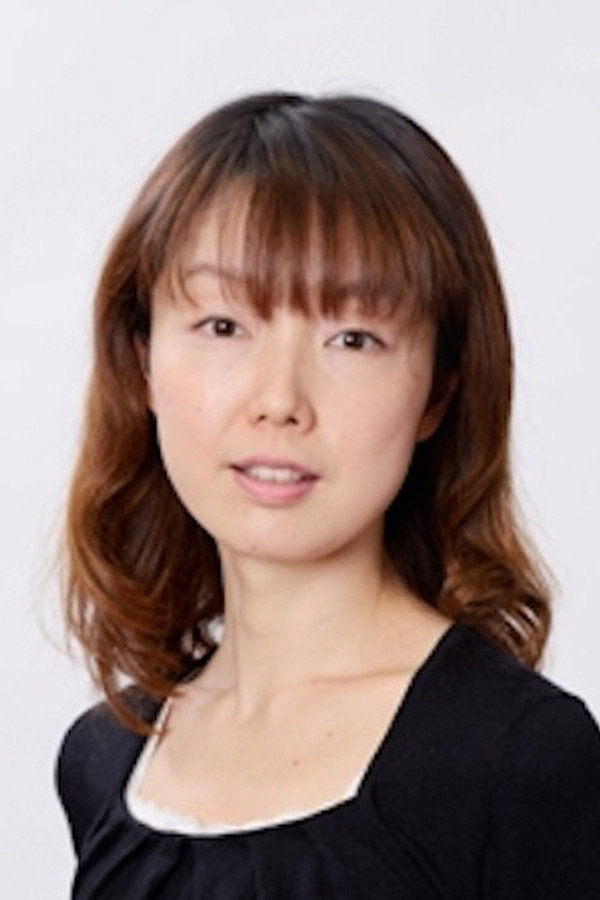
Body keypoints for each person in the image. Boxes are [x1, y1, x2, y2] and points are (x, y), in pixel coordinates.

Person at [55, 91, 600, 899]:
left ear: (438, 389)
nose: (280, 400)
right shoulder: (103, 758)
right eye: (223, 326)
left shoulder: (518, 757)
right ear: (141, 361)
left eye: (353, 338)